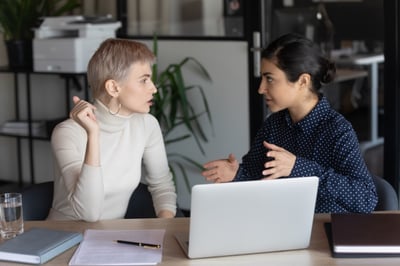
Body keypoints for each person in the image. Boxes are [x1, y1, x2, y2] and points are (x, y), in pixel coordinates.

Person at [202, 33, 378, 213]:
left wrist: (297, 167)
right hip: (279, 226)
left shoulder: (337, 130)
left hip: (325, 230)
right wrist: (236, 174)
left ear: (303, 81)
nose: (261, 88)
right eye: (262, 78)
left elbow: (366, 199)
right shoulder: (274, 125)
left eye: (269, 79)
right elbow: (255, 178)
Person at [47, 38, 177, 221]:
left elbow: (162, 185)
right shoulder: (67, 133)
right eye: (144, 80)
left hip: (112, 239)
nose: (154, 89)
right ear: (113, 88)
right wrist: (93, 135)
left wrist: (164, 228)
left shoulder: (147, 125)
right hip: (64, 239)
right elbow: (89, 213)